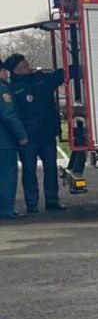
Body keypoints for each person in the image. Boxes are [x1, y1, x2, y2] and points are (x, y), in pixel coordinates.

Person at [5, 54, 66, 213]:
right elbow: (12, 114)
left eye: (27, 65)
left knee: (51, 168)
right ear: (16, 71)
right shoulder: (11, 89)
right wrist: (21, 136)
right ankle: (32, 204)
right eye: (24, 67)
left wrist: (75, 68)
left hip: (47, 135)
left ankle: (52, 201)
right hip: (28, 139)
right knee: (29, 170)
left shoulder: (41, 80)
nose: (29, 68)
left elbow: (59, 75)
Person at [0, 62, 28, 220]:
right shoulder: (3, 90)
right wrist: (21, 135)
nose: (7, 73)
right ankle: (6, 210)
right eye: (4, 70)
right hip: (4, 143)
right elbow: (8, 115)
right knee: (7, 178)